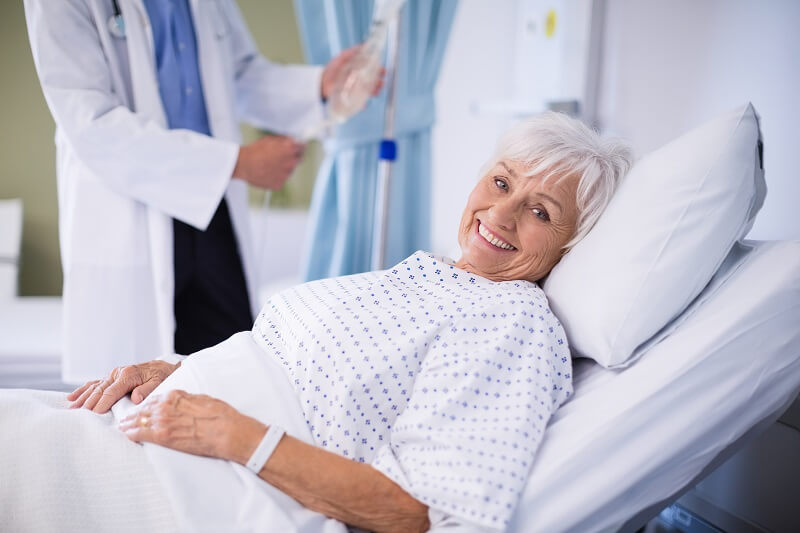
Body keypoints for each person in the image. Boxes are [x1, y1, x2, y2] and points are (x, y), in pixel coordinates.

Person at [0, 113, 632, 532]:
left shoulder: (513, 321)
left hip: (198, 491)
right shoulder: (430, 273)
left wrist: (234, 434)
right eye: (500, 182)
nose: (502, 211)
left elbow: (426, 513)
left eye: (541, 212)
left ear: (573, 246)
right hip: (160, 430)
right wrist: (176, 369)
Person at [23, 0, 377, 383]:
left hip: (212, 209)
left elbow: (239, 73)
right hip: (130, 207)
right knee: (133, 400)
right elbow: (91, 121)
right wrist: (236, 163)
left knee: (235, 376)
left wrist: (317, 85)